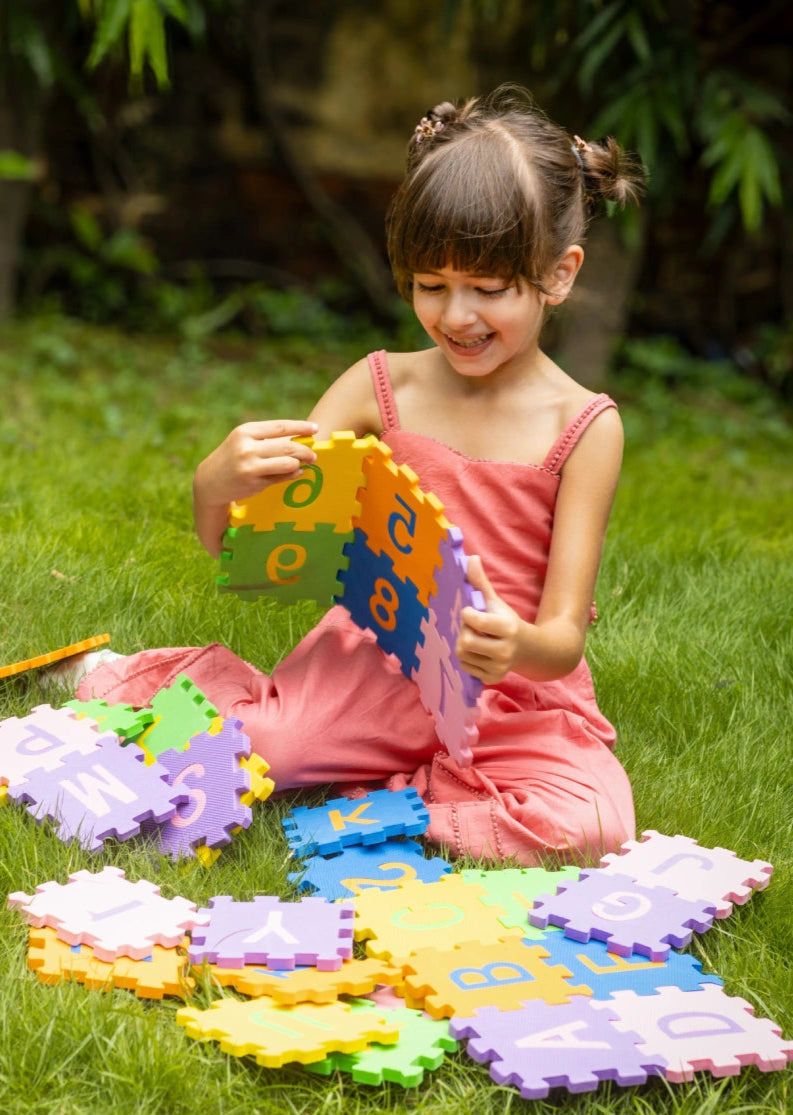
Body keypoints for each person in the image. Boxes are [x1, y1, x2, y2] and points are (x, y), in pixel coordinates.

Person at [72, 86, 646, 866]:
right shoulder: (380, 388)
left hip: (512, 698)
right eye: (430, 285)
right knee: (263, 746)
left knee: (594, 825)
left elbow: (561, 638)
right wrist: (214, 485)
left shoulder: (583, 427)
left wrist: (514, 644)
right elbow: (260, 555)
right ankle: (149, 679)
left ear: (558, 273)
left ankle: (390, 800)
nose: (456, 316)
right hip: (374, 673)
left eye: (488, 289)